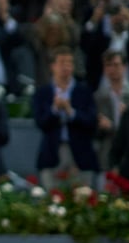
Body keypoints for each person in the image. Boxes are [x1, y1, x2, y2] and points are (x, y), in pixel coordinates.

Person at [32, 46, 99, 189]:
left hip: (81, 155)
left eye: (69, 63)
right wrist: (55, 109)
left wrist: (71, 112)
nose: (66, 67)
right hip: (52, 154)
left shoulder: (84, 91)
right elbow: (40, 123)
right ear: (52, 66)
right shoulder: (43, 93)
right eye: (62, 62)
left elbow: (92, 121)